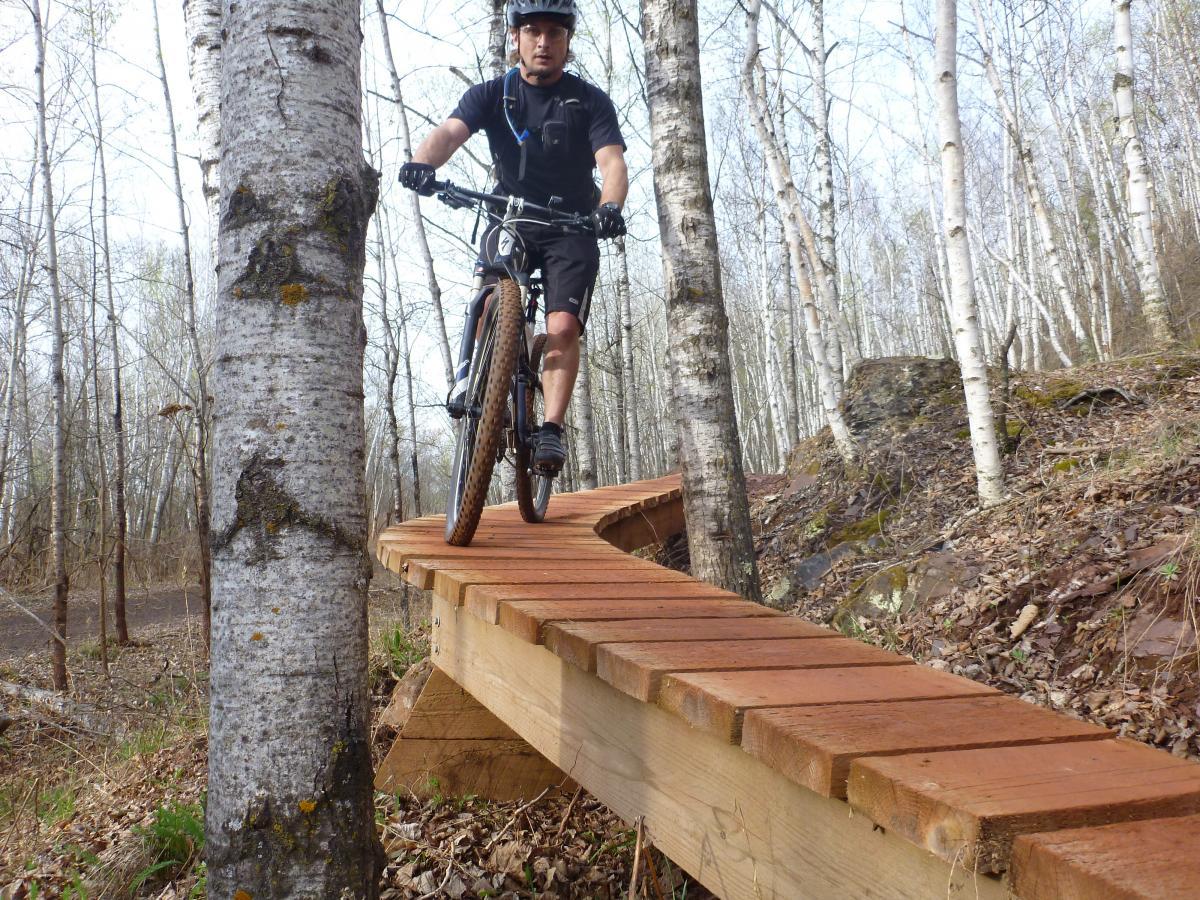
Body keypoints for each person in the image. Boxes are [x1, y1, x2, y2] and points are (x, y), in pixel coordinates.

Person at [399, 0, 628, 475]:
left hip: (572, 226)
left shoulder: (589, 102)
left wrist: (610, 207)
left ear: (567, 42)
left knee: (563, 327)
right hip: (513, 216)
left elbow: (611, 162)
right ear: (516, 38)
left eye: (554, 34)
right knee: (488, 299)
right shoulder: (491, 94)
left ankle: (551, 430)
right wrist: (422, 164)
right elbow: (449, 132)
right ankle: (475, 381)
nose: (544, 42)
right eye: (533, 32)